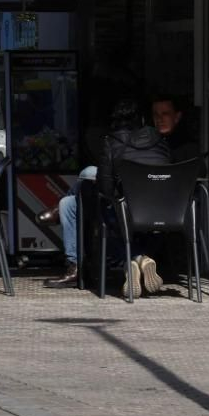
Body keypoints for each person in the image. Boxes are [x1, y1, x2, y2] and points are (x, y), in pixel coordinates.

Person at [44, 98, 171, 290]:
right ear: (143, 121)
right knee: (68, 204)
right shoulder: (160, 142)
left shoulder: (112, 143)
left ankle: (136, 259)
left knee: (100, 217)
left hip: (127, 213)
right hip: (165, 213)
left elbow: (105, 188)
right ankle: (77, 265)